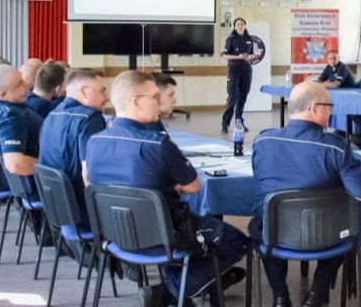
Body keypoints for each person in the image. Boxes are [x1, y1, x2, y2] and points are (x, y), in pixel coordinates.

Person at [85, 71, 247, 306]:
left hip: (115, 233)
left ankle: (181, 286)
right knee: (236, 240)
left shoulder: (95, 141)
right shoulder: (158, 145)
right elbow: (192, 186)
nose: (159, 102)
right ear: (136, 101)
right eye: (154, 97)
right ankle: (171, 291)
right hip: (166, 235)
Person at [251, 82, 361, 307]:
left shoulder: (262, 141)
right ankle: (316, 295)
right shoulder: (336, 147)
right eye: (329, 106)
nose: (331, 111)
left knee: (263, 222)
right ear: (314, 108)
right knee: (344, 229)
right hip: (325, 235)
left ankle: (280, 298)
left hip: (275, 234)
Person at [38, 68, 107, 226]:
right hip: (81, 210)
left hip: (56, 207)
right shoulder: (90, 119)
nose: (106, 98)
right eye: (102, 91)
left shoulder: (51, 116)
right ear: (84, 91)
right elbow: (89, 173)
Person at [221, 17, 255, 133]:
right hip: (234, 68)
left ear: (245, 26)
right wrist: (237, 57)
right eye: (238, 24)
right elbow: (224, 55)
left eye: (242, 24)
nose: (240, 26)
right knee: (233, 97)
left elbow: (251, 55)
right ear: (235, 27)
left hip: (246, 69)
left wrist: (250, 57)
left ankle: (239, 123)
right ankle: (225, 124)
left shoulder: (249, 39)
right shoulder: (231, 39)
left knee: (243, 97)